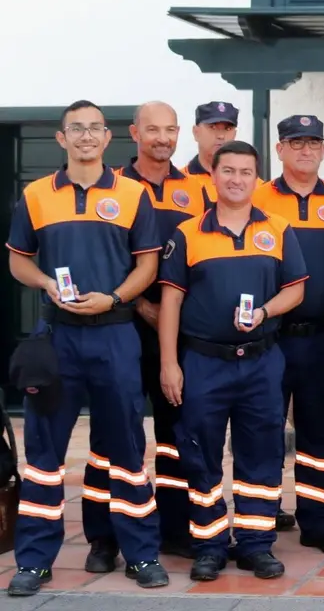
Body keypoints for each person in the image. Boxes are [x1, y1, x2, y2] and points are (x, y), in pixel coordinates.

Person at [6, 100, 170, 597]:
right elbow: (18, 262)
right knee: (43, 454)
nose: (84, 137)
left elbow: (147, 266)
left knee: (125, 449)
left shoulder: (132, 193)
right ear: (62, 139)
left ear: (107, 138)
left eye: (94, 129)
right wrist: (46, 286)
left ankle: (141, 554)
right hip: (57, 337)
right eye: (75, 129)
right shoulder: (35, 195)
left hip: (115, 334)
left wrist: (118, 295)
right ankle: (33, 561)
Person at [157, 140, 306, 582]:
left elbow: (295, 290)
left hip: (261, 361)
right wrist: (170, 363)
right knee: (199, 452)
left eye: (245, 172)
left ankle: (257, 544)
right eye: (228, 171)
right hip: (204, 362)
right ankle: (210, 544)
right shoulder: (187, 233)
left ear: (256, 179)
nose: (237, 179)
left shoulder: (278, 228)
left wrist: (264, 312)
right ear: (213, 176)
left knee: (261, 452)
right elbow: (169, 303)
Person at [251, 115, 324, 556]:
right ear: (280, 150)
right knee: (263, 430)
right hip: (269, 337)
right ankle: (262, 517)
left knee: (321, 436)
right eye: (296, 143)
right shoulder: (255, 197)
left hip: (322, 339)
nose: (305, 151)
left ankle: (318, 521)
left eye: (313, 143)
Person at [115, 101, 208, 561]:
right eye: (153, 129)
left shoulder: (196, 189)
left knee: (176, 435)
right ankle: (110, 536)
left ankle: (175, 528)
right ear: (135, 132)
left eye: (170, 130)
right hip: (121, 329)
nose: (162, 138)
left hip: (180, 336)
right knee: (121, 433)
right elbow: (106, 260)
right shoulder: (113, 186)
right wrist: (142, 305)